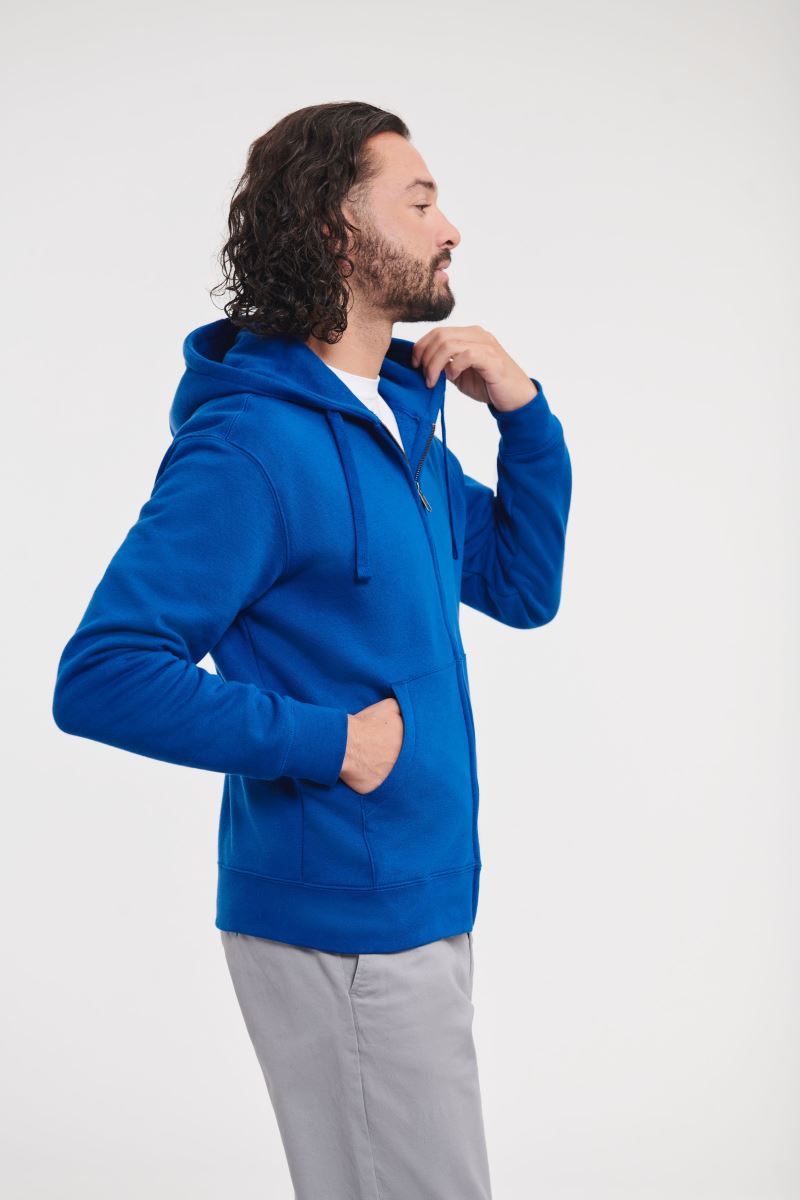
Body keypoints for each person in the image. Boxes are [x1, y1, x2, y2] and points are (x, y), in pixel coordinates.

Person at [52, 101, 572, 1199]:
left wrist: (523, 418)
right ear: (337, 230)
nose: (450, 229)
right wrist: (331, 742)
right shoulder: (251, 446)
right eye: (420, 203)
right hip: (345, 918)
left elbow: (522, 590)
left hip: (419, 900)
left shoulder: (400, 424)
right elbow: (103, 675)